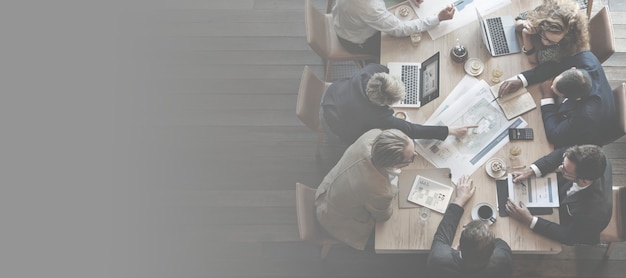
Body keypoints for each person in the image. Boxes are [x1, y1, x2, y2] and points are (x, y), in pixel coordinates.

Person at [320, 63, 475, 146]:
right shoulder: (377, 116)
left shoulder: (368, 72)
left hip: (333, 94)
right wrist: (449, 130)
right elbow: (412, 130)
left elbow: (385, 69)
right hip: (334, 122)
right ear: (382, 104)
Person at [315, 129, 416, 250]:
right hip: (335, 219)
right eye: (411, 159)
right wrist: (393, 187)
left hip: (327, 189)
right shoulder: (381, 192)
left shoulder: (370, 136)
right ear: (394, 164)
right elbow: (383, 216)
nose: (416, 155)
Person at [497, 51, 616, 148]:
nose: (551, 87)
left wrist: (547, 96)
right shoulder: (585, 57)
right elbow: (556, 65)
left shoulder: (585, 115)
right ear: (573, 69)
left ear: (575, 98)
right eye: (555, 82)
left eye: (555, 90)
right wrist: (522, 80)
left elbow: (554, 135)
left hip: (585, 137)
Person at [506, 145, 612, 245]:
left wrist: (529, 219)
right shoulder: (588, 154)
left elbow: (569, 237)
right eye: (563, 163)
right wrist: (530, 171)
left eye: (565, 170)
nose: (560, 167)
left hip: (577, 224)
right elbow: (560, 153)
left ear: (584, 181)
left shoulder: (592, 213)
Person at [428, 176, 513, 278]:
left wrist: (460, 200)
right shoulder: (502, 258)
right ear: (493, 250)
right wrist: (483, 234)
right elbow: (499, 242)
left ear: (458, 248)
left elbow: (442, 234)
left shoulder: (439, 258)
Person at [332, 0, 455, 57]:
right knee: (406, 48)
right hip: (356, 40)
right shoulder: (369, 6)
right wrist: (438, 18)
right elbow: (400, 29)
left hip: (344, 21)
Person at [514, 0, 589, 65]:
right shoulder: (546, 13)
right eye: (543, 35)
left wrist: (526, 36)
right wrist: (524, 23)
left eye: (551, 42)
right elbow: (518, 20)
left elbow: (534, 59)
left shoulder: (566, 46)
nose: (545, 42)